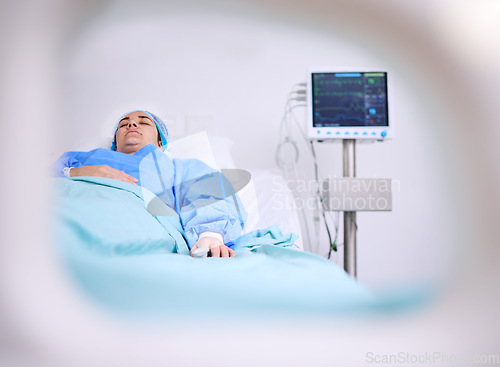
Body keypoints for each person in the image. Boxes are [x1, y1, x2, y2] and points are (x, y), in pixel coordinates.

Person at [54, 110, 246, 258]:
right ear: (114, 141)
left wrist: (210, 234)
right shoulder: (80, 159)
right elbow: (32, 182)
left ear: (161, 142)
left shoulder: (178, 167)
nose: (131, 124)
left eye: (143, 122)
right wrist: (74, 172)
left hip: (132, 219)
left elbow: (207, 189)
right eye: (124, 124)